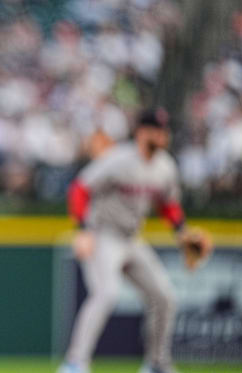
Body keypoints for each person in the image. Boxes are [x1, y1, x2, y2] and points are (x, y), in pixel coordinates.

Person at [58, 108, 187, 373]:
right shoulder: (118, 159)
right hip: (103, 234)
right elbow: (80, 189)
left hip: (132, 239)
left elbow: (168, 204)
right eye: (156, 129)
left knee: (165, 297)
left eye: (164, 130)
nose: (162, 135)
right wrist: (82, 230)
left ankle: (156, 364)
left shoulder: (165, 165)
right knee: (106, 293)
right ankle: (74, 363)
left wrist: (181, 230)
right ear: (142, 132)